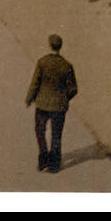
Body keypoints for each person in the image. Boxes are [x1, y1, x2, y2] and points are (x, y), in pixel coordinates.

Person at [25, 34, 78, 173]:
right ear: (60, 47)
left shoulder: (42, 62)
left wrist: (29, 98)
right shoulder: (67, 66)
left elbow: (35, 83)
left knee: (40, 131)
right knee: (56, 135)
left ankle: (43, 160)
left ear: (49, 45)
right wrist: (64, 98)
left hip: (42, 105)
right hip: (59, 107)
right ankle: (54, 165)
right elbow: (73, 89)